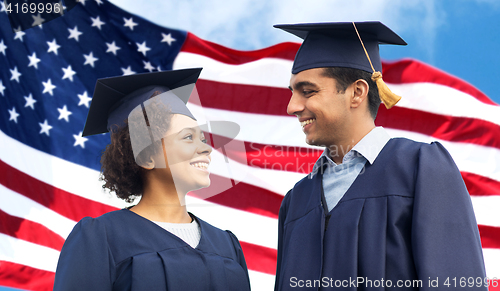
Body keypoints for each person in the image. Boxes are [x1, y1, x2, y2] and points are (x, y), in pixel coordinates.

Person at [273, 22, 487, 290]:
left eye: (308, 91)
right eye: (292, 93)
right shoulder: (296, 202)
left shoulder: (419, 169)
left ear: (357, 92)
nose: (292, 106)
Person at [53, 68, 251, 290]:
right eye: (188, 137)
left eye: (202, 138)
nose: (206, 148)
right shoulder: (101, 239)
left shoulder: (227, 245)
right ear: (146, 156)